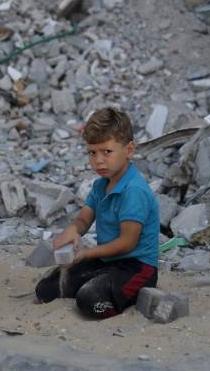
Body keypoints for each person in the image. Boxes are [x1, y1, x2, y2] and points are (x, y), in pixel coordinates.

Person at [35, 107, 160, 318]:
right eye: (92, 152)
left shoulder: (134, 191)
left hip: (136, 267)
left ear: (129, 150)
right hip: (107, 260)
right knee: (46, 289)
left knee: (90, 303)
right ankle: (101, 286)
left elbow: (126, 243)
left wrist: (85, 253)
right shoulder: (101, 185)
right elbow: (84, 218)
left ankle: (118, 302)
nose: (98, 160)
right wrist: (73, 230)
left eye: (106, 152)